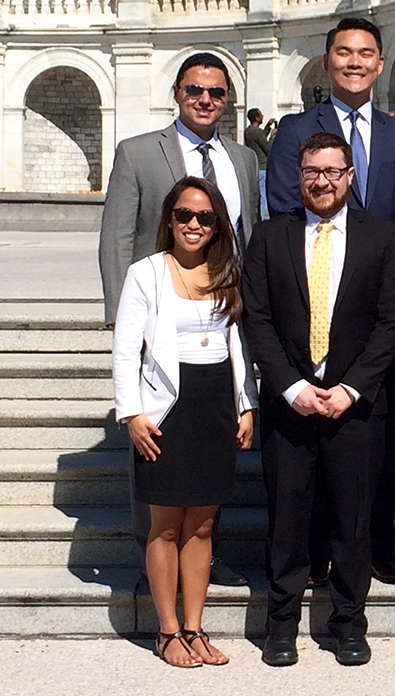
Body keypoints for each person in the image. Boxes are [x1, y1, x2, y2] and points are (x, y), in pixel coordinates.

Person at [265, 17, 395, 585]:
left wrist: (379, 269)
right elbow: (287, 203)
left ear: (381, 64)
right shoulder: (294, 131)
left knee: (376, 435)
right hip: (310, 303)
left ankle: (376, 548)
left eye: (366, 53)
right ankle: (313, 553)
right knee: (308, 438)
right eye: (344, 52)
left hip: (377, 312)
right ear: (328, 60)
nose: (355, 62)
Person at [242, 132, 395, 668]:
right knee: (287, 520)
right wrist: (290, 387)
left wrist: (351, 388)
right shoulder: (270, 237)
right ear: (298, 175)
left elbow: (391, 323)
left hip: (354, 407)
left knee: (352, 520)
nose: (323, 181)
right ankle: (281, 625)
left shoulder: (381, 239)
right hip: (288, 406)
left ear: (350, 176)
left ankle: (348, 623)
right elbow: (258, 318)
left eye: (334, 172)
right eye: (313, 171)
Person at [100, 51, 260, 589]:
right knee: (154, 452)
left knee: (206, 459)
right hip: (157, 324)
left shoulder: (242, 161)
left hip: (218, 321)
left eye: (216, 93)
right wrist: (127, 324)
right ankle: (154, 560)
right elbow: (118, 239)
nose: (206, 100)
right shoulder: (139, 152)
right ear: (177, 93)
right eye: (195, 90)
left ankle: (202, 560)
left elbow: (247, 238)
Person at [112, 177, 258, 667]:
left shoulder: (227, 272)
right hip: (166, 411)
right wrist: (131, 413)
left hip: (216, 404)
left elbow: (238, 345)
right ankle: (167, 631)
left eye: (205, 218)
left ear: (217, 225)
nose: (194, 225)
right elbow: (126, 349)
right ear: (169, 220)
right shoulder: (146, 273)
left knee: (202, 526)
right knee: (165, 527)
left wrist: (246, 404)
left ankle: (194, 628)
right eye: (184, 215)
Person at [244, 108, 278, 220]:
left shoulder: (248, 131)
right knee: (263, 196)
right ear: (257, 118)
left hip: (254, 166)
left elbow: (259, 138)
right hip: (263, 166)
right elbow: (267, 148)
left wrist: (267, 127)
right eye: (261, 115)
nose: (262, 116)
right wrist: (273, 136)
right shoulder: (257, 132)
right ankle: (261, 219)